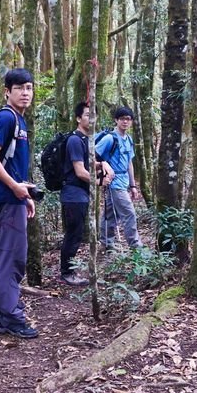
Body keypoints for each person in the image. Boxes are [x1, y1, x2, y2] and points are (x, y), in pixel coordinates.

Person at [0, 68, 38, 338]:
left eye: (28, 88)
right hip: (7, 196)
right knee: (11, 257)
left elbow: (12, 163)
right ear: (7, 91)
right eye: (19, 88)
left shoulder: (18, 120)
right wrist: (15, 188)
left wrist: (23, 193)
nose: (25, 93)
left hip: (12, 197)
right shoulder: (6, 117)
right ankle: (10, 316)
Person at [96, 106, 142, 250]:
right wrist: (102, 169)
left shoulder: (128, 139)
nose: (125, 122)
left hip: (123, 181)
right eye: (122, 119)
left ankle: (106, 243)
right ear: (116, 120)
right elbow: (92, 154)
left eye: (128, 119)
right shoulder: (110, 138)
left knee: (110, 214)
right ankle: (136, 246)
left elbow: (129, 163)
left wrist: (133, 186)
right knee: (129, 213)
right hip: (113, 181)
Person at [59, 102, 95, 286]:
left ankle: (69, 270)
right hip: (73, 194)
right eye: (87, 115)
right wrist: (97, 182)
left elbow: (89, 163)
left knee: (77, 232)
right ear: (78, 118)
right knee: (73, 233)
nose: (91, 118)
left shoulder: (85, 140)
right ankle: (67, 272)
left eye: (93, 115)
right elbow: (80, 171)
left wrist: (103, 165)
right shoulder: (74, 140)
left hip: (80, 193)